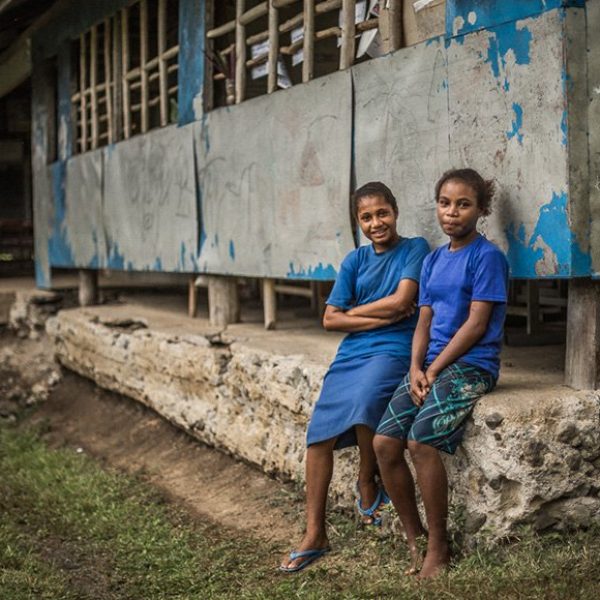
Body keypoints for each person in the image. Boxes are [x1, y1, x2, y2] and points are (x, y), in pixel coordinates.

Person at [280, 182, 429, 573]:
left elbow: (403, 302)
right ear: (357, 221)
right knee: (318, 434)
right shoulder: (354, 261)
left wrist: (355, 314)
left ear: (395, 212)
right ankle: (315, 533)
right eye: (366, 217)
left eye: (383, 213)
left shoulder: (414, 248)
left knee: (365, 401)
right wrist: (373, 315)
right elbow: (330, 319)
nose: (376, 223)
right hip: (354, 350)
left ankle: (367, 480)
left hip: (395, 346)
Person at [374, 168, 509, 579]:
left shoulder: (487, 258)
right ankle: (414, 535)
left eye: (463, 204)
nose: (452, 212)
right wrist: (415, 367)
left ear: (481, 210)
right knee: (383, 443)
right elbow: (424, 321)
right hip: (430, 366)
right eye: (445, 203)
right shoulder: (433, 260)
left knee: (421, 443)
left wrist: (433, 368)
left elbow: (476, 325)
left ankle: (439, 544)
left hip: (471, 366)